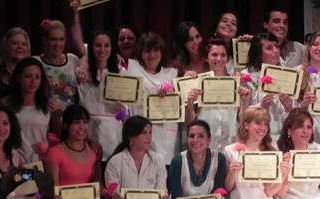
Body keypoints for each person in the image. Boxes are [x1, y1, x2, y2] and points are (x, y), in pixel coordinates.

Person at [185, 38, 251, 152]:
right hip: (204, 147)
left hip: (230, 145)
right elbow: (190, 122)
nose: (219, 59)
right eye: (214, 55)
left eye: (223, 55)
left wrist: (245, 102)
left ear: (227, 58)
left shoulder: (236, 81)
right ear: (206, 58)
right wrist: (190, 103)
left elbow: (242, 119)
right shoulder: (198, 82)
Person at [125, 31, 180, 166]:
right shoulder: (131, 67)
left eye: (156, 50)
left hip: (166, 137)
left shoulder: (172, 73)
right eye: (147, 51)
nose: (152, 55)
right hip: (139, 134)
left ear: (161, 52)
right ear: (140, 52)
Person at [0, 57, 59, 163]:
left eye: (37, 77)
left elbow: (64, 132)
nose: (33, 81)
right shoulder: (5, 104)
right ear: (18, 77)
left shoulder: (48, 105)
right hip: (13, 163)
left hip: (41, 163)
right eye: (28, 76)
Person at [77, 30, 125, 162]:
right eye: (98, 45)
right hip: (87, 133)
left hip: (113, 135)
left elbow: (127, 113)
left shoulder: (122, 72)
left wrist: (122, 112)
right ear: (91, 47)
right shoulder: (81, 72)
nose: (102, 49)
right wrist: (84, 64)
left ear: (112, 48)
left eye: (106, 45)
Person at [241, 32, 295, 144]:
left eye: (276, 46)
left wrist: (289, 108)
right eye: (269, 48)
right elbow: (242, 113)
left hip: (281, 136)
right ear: (259, 53)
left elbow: (292, 112)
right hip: (256, 137)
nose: (275, 51)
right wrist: (261, 106)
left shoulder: (286, 75)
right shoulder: (246, 76)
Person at [34, 19, 80, 110]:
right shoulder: (36, 62)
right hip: (45, 117)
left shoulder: (73, 60)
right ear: (45, 41)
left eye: (61, 39)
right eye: (53, 39)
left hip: (70, 119)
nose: (58, 44)